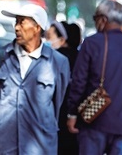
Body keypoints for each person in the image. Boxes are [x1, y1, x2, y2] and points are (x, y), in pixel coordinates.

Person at [66, 0, 122, 155]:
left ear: (103, 20)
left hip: (95, 122)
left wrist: (72, 113)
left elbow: (79, 82)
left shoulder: (91, 44)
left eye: (95, 18)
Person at [0, 3, 70, 155]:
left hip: (41, 145)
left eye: (22, 22)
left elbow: (58, 102)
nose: (16, 27)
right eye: (16, 22)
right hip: (6, 143)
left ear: (37, 27)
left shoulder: (58, 62)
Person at [46, 20, 80, 155]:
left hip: (55, 116)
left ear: (62, 39)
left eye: (49, 36)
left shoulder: (54, 59)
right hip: (76, 116)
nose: (46, 41)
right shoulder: (80, 57)